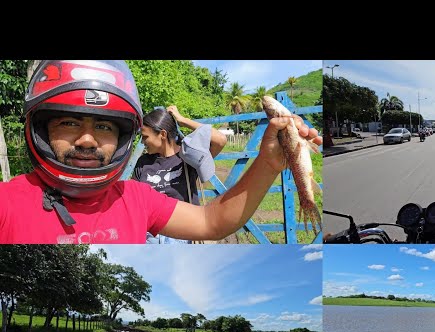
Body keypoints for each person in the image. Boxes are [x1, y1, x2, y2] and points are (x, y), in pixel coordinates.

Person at [0, 60, 321, 244]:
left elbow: (211, 221)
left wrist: (267, 163)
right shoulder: (7, 203)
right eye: (69, 122)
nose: (87, 140)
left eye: (104, 127)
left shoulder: (133, 197)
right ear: (41, 129)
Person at [132, 105, 227, 244]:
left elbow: (220, 139)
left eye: (145, 137)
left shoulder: (188, 157)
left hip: (183, 234)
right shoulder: (143, 162)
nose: (142, 142)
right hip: (150, 235)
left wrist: (183, 120)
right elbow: (136, 199)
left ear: (162, 134)